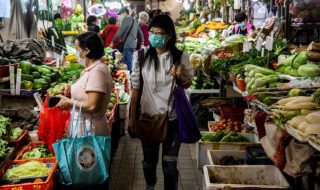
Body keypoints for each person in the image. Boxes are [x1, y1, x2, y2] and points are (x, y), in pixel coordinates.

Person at [130, 15, 194, 190]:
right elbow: (136, 88)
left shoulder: (180, 57)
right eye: (152, 32)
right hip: (148, 117)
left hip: (172, 118)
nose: (154, 36)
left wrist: (180, 74)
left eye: (159, 33)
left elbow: (187, 83)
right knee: (148, 163)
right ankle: (150, 186)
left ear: (169, 35)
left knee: (170, 165)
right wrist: (132, 117)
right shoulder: (141, 56)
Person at [57, 31, 112, 137]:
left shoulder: (97, 72)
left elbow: (92, 106)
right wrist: (70, 89)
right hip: (84, 130)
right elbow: (85, 92)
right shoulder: (89, 70)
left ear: (86, 51)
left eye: (77, 49)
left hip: (90, 131)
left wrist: (69, 102)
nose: (75, 53)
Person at [111, 7, 144, 71]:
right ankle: (130, 74)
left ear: (125, 13)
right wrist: (142, 41)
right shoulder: (134, 20)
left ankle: (129, 76)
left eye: (121, 14)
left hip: (127, 44)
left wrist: (113, 41)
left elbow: (120, 32)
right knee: (130, 60)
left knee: (126, 62)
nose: (120, 16)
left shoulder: (126, 20)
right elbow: (140, 32)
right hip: (133, 44)